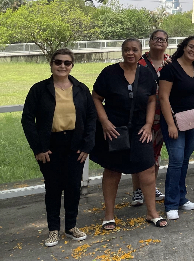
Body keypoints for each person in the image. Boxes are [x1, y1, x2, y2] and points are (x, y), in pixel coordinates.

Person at [22, 49, 97, 247]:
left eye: (67, 63)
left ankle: (71, 226)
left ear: (72, 65)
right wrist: (38, 148)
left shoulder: (81, 89)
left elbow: (91, 118)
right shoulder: (39, 90)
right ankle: (53, 230)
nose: (62, 66)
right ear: (51, 63)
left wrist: (87, 145)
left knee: (73, 187)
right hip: (50, 147)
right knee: (53, 188)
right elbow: (27, 119)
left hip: (75, 145)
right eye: (58, 62)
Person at [91, 38, 167, 229]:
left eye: (134, 50)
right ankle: (109, 215)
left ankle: (152, 213)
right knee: (112, 170)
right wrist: (105, 122)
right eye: (126, 50)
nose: (130, 53)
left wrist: (149, 124)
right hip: (114, 130)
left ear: (141, 52)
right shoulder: (109, 73)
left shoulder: (147, 74)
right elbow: (96, 97)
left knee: (148, 169)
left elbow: (151, 99)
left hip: (140, 130)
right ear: (122, 51)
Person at [158, 36, 194, 220]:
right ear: (184, 47)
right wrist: (171, 124)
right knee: (176, 160)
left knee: (184, 160)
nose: (193, 51)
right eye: (191, 47)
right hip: (174, 122)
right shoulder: (170, 69)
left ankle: (181, 197)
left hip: (193, 121)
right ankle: (170, 203)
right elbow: (163, 97)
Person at [130, 30, 169, 207]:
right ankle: (137, 190)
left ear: (167, 43)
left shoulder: (170, 62)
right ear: (150, 41)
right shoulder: (139, 62)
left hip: (163, 115)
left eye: (163, 40)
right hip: (141, 114)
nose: (159, 42)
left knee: (156, 154)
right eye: (156, 39)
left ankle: (151, 187)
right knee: (140, 153)